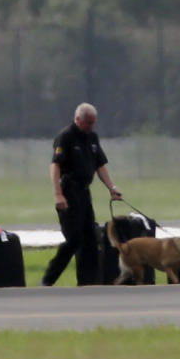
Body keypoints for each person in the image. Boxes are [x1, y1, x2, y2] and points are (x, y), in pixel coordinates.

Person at [40, 102, 122, 287]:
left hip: (84, 193)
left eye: (93, 123)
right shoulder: (65, 137)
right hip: (68, 191)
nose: (90, 126)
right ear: (77, 119)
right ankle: (48, 280)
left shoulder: (92, 137)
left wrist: (112, 187)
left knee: (91, 240)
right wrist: (58, 194)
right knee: (74, 239)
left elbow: (100, 165)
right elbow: (55, 166)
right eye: (87, 123)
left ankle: (88, 283)